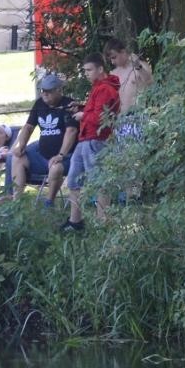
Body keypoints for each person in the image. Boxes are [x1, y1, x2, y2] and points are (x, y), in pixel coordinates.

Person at [62, 54, 120, 233]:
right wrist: (80, 108)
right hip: (85, 140)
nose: (86, 73)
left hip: (97, 141)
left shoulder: (105, 89)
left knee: (100, 182)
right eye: (85, 70)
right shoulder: (98, 88)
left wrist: (82, 115)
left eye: (89, 70)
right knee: (73, 180)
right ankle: (75, 221)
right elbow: (95, 110)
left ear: (100, 69)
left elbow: (100, 118)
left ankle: (103, 221)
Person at [12, 71, 78, 204]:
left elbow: (71, 131)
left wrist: (61, 155)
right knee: (17, 158)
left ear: (59, 90)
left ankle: (49, 202)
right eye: (42, 91)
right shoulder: (39, 104)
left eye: (48, 91)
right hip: (42, 156)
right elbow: (28, 127)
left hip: (66, 157)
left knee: (56, 168)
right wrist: (21, 146)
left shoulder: (70, 105)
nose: (44, 94)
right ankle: (16, 201)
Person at [104, 38, 153, 113]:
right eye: (110, 59)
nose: (112, 62)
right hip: (121, 118)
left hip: (139, 114)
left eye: (114, 57)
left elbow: (150, 82)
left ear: (123, 52)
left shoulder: (141, 66)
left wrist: (138, 66)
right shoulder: (113, 74)